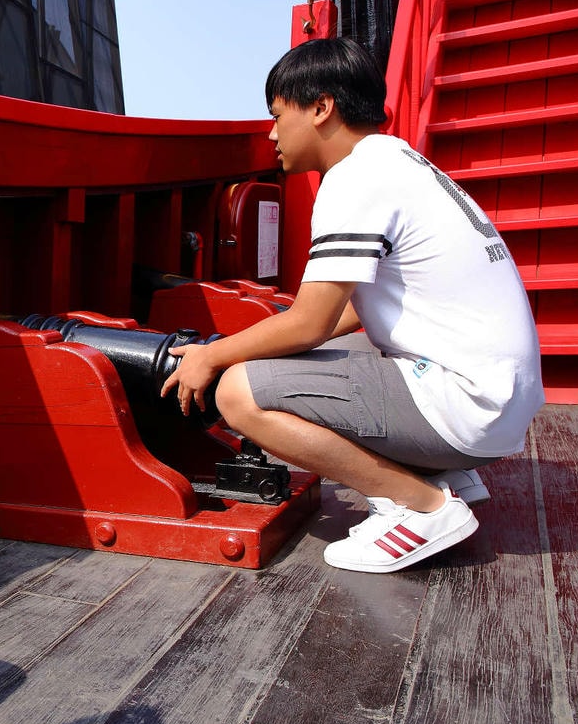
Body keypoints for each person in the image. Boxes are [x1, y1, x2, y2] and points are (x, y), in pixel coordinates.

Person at [160, 37, 543, 574]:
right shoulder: (399, 162)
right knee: (304, 357)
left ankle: (422, 506)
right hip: (497, 405)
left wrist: (213, 355)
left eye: (277, 115)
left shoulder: (355, 179)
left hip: (467, 408)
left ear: (321, 107)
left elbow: (311, 321)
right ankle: (444, 475)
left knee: (239, 392)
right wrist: (278, 349)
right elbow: (352, 313)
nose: (271, 134)